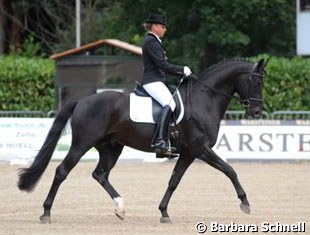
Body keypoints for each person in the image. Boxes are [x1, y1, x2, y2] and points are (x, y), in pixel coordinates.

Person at [141, 13, 192, 154]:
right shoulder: (151, 41)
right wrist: (181, 69)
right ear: (155, 26)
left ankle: (171, 138)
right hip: (152, 81)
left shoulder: (155, 41)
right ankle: (160, 141)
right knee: (170, 104)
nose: (165, 29)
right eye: (163, 27)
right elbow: (162, 64)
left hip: (158, 81)